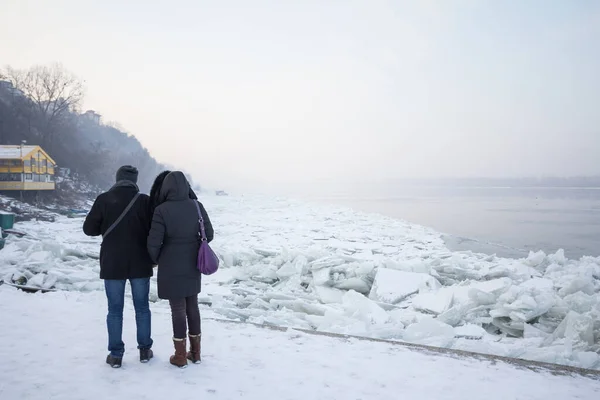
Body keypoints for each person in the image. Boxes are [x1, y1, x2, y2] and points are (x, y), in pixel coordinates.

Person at [83, 165, 155, 368]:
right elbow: (153, 230)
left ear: (117, 178)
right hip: (140, 261)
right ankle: (144, 350)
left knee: (114, 310)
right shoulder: (144, 201)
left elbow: (89, 229)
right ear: (135, 180)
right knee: (142, 308)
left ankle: (116, 355)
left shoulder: (104, 199)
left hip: (112, 262)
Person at [147, 171, 214, 368]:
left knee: (178, 309)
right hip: (193, 264)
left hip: (171, 266)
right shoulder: (197, 206)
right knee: (192, 306)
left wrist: (159, 258)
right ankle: (196, 353)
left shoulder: (162, 210)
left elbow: (153, 243)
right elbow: (208, 234)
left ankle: (179, 356)